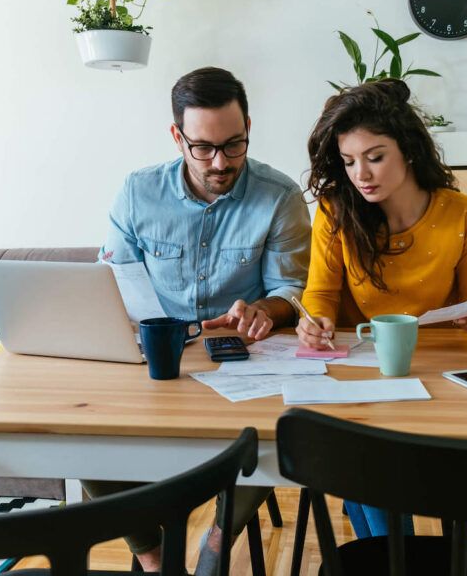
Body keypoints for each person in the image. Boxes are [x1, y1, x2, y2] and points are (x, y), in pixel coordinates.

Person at [85, 66, 311, 574]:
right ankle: (154, 557)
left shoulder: (279, 197)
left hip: (241, 360)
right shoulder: (137, 193)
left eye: (235, 145)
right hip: (157, 359)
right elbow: (112, 281)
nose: (220, 162)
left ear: (248, 126)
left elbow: (290, 292)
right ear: (176, 136)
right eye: (203, 148)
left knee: (276, 433)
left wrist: (263, 311)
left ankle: (216, 541)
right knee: (84, 437)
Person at [296, 79, 467, 538]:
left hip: (436, 376)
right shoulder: (335, 210)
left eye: (375, 156)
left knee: (373, 474)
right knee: (367, 463)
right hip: (361, 377)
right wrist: (316, 320)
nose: (361, 175)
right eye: (348, 161)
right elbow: (320, 294)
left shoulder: (461, 215)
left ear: (407, 150)